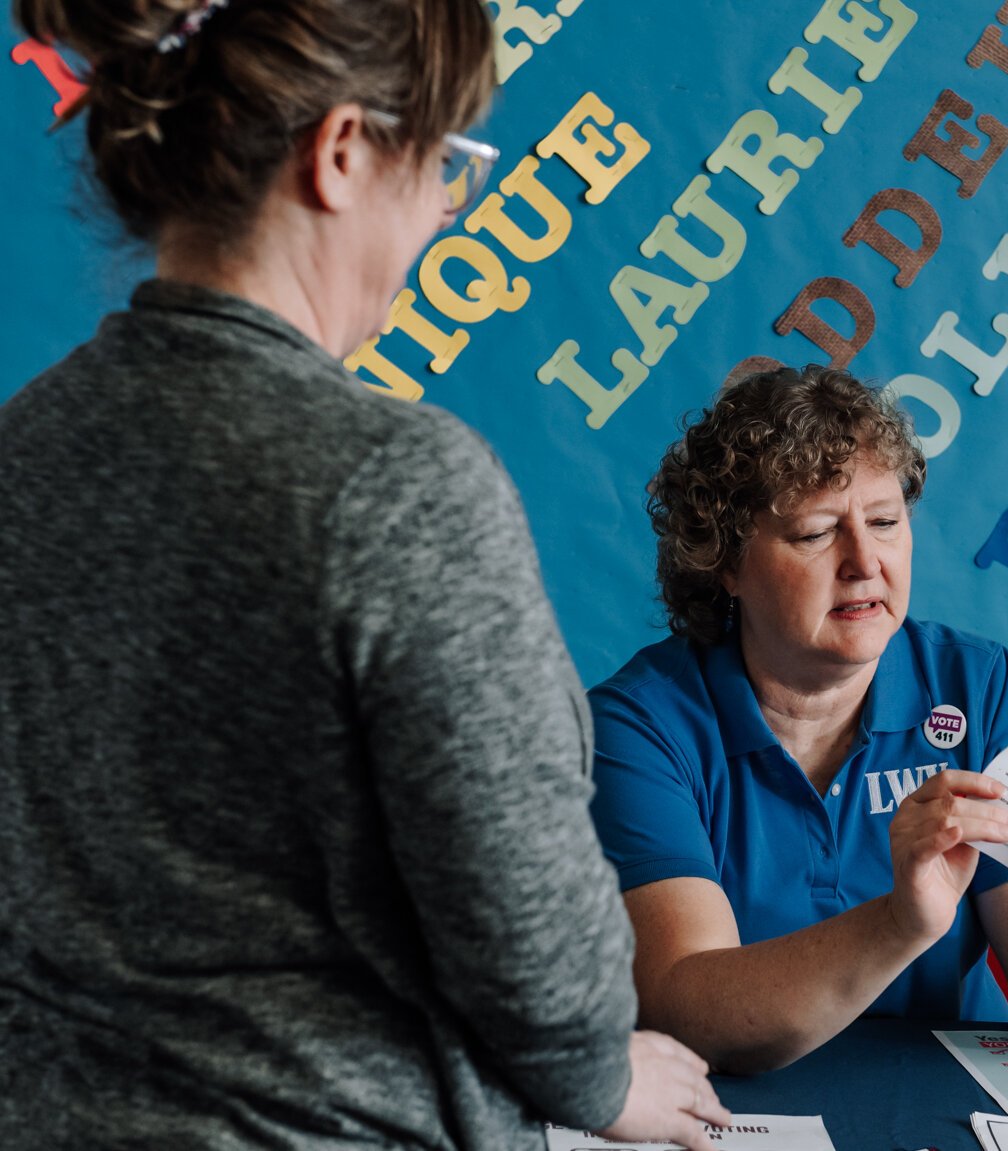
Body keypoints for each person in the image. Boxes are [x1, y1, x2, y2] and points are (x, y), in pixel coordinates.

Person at [0, 1, 725, 1148]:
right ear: (340, 153)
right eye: (442, 162)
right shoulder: (398, 483)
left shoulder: (21, 450)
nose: (445, 206)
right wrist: (597, 1077)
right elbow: (531, 935)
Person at [589, 365, 1008, 1075]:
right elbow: (688, 1010)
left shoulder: (977, 687)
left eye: (884, 521)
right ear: (726, 563)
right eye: (815, 533)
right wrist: (903, 922)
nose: (865, 562)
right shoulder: (638, 723)